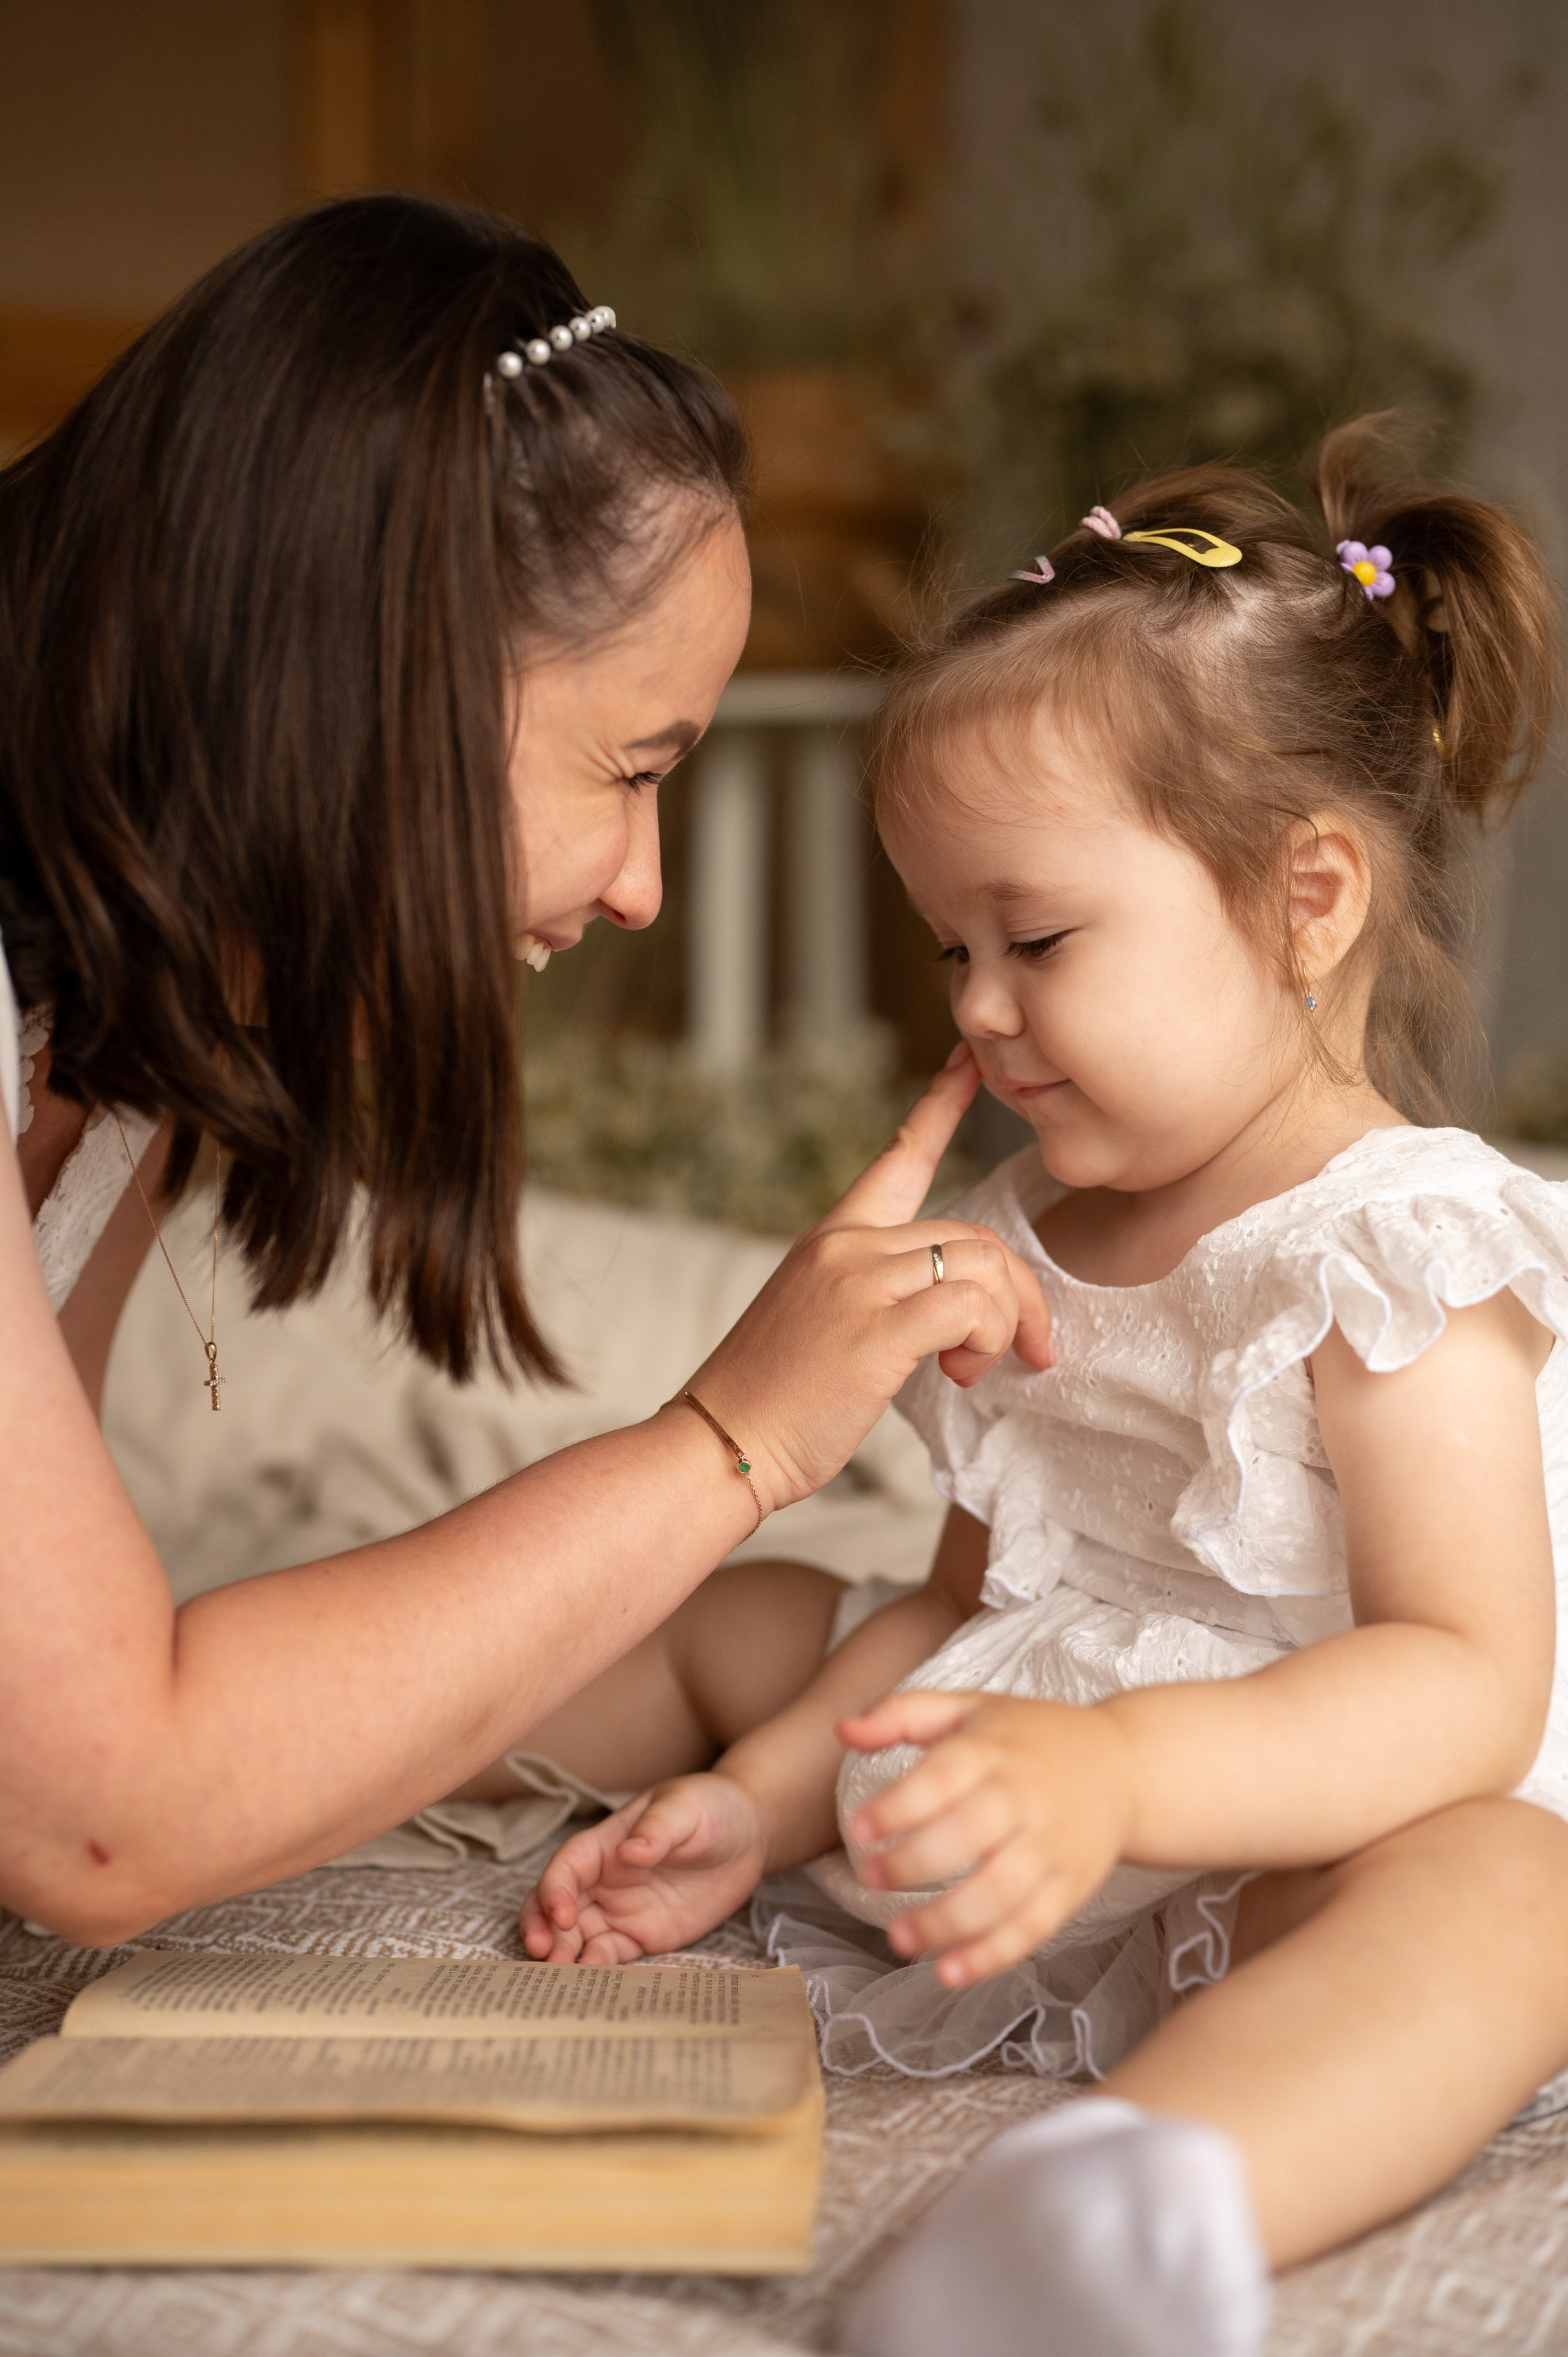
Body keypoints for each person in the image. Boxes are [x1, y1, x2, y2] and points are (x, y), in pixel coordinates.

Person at [521, 421, 1568, 2355]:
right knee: (734, 1612)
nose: (977, 1007)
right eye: (952, 945)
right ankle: (355, 1734)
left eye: (1041, 939)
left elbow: (1468, 1680)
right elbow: (952, 1605)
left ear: (1306, 897)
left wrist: (1123, 1776)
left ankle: (1142, 2203)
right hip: (1026, 1767)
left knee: (1516, 1893)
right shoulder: (1031, 1224)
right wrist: (761, 1805)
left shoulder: (1394, 1243)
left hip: (1287, 1834)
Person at [0, 193, 1049, 1952]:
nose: (642, 888)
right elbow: (99, 1817)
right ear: (376, 675)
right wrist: (731, 1440)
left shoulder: (130, 1022)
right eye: (633, 769)